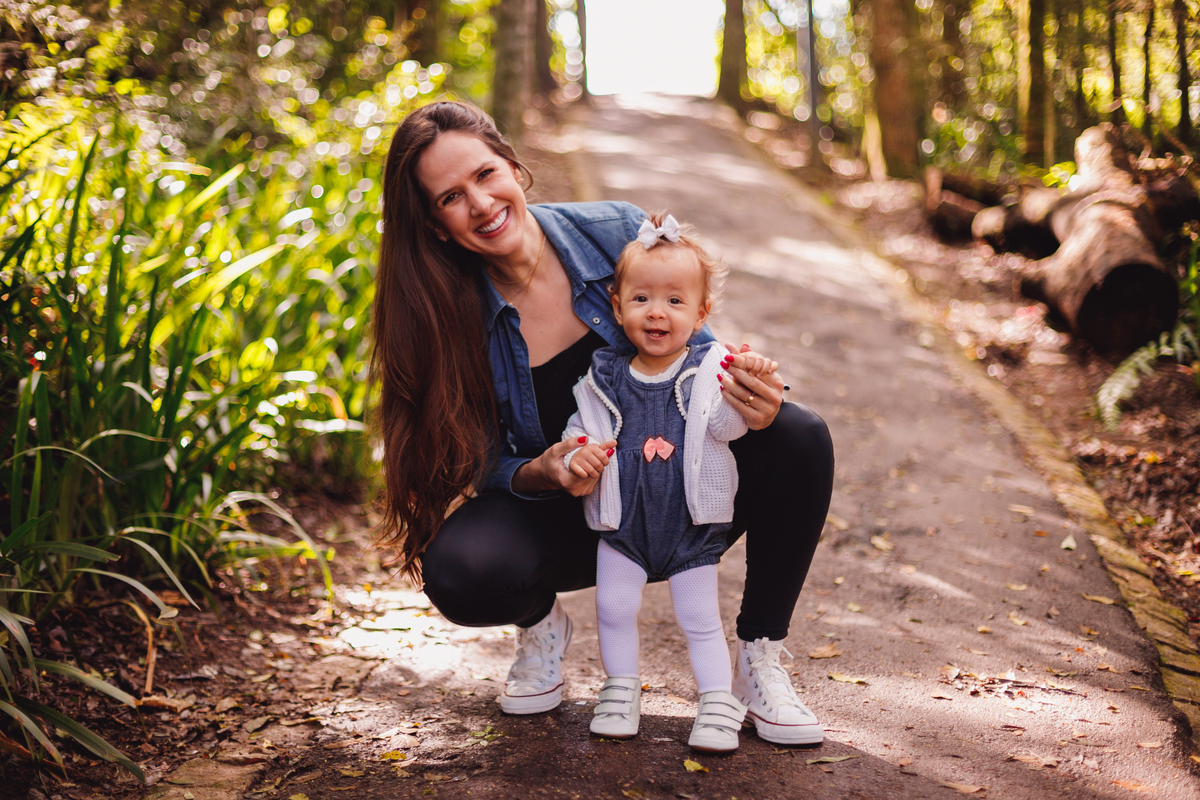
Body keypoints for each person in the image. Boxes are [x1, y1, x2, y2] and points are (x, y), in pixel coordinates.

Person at [370, 100, 833, 746]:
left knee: (800, 435)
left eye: (484, 175)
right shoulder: (446, 314)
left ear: (512, 166)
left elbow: (703, 349)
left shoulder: (615, 232)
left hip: (680, 493)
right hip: (576, 512)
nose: (479, 203)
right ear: (438, 226)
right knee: (462, 570)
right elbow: (466, 458)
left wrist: (752, 393)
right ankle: (541, 627)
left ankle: (758, 658)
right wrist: (538, 469)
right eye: (451, 197)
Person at [562, 212, 778, 752]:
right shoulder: (604, 375)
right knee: (612, 607)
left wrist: (749, 383)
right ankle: (620, 688)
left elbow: (726, 428)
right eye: (641, 299)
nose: (657, 312)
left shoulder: (709, 370)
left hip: (688, 528)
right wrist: (577, 455)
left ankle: (715, 701)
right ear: (617, 306)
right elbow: (579, 427)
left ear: (701, 312)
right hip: (623, 523)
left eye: (675, 302)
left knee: (700, 618)